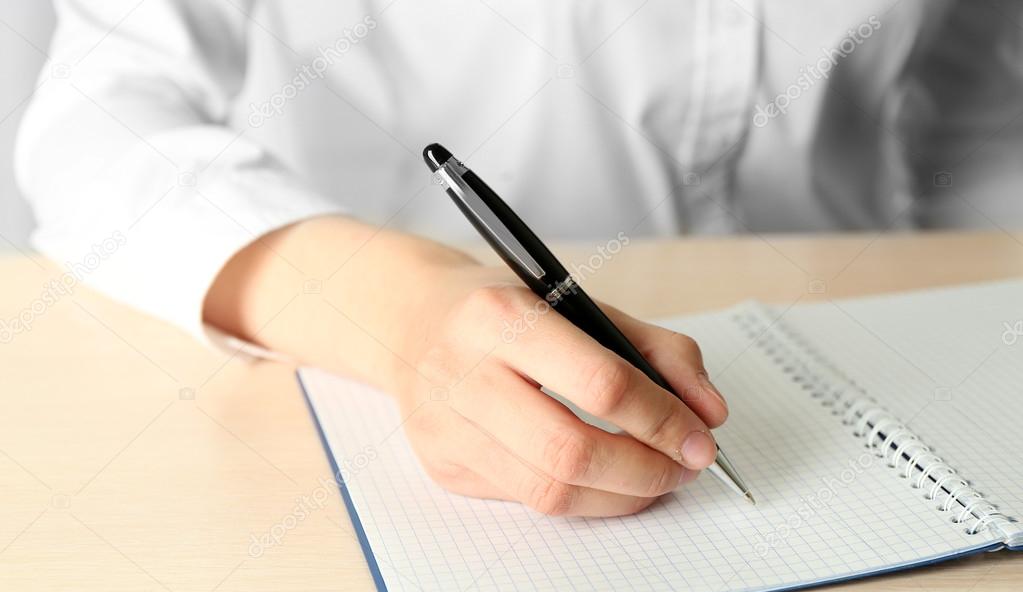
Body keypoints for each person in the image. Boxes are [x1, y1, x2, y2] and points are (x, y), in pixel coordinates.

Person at [16, 1, 1023, 516]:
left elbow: (970, 104)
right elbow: (94, 124)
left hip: (878, 349)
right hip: (352, 380)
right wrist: (407, 312)